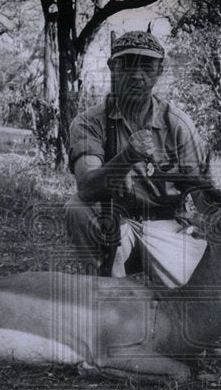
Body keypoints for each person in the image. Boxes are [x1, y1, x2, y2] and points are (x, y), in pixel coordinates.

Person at [64, 30, 210, 287]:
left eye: (146, 67)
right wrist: (128, 156)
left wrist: (212, 220)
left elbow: (200, 189)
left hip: (166, 223)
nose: (136, 75)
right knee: (76, 207)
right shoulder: (89, 122)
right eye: (127, 65)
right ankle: (102, 285)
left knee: (193, 299)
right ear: (112, 68)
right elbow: (86, 188)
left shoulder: (178, 124)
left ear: (159, 72)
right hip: (113, 220)